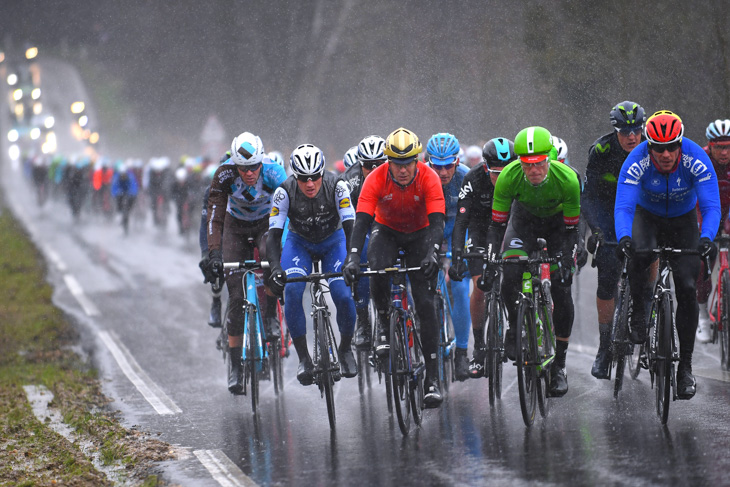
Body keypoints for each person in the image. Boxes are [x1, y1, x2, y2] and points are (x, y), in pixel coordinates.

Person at [615, 110, 720, 399]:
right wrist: (624, 236)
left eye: (672, 146)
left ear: (680, 143)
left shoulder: (696, 158)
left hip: (683, 221)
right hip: (646, 218)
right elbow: (624, 206)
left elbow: (711, 207)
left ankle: (684, 368)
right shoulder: (636, 160)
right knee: (637, 254)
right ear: (648, 146)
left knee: (687, 286)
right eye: (658, 148)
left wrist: (707, 238)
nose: (665, 154)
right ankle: (638, 313)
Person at [342, 127, 446, 407]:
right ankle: (386, 326)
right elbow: (362, 221)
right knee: (376, 269)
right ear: (388, 162)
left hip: (421, 233)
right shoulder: (375, 179)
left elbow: (437, 223)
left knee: (425, 303)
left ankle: (433, 379)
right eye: (397, 164)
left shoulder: (430, 177)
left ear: (417, 160)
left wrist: (433, 253)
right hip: (386, 231)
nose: (402, 170)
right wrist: (352, 256)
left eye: (408, 163)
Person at [484, 126, 580, 397]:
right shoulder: (508, 177)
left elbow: (573, 231)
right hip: (524, 222)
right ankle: (515, 327)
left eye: (539, 163)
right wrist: (492, 259)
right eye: (527, 165)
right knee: (510, 273)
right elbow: (496, 226)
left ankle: (559, 365)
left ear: (548, 159)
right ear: (519, 163)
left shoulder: (568, 180)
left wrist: (569, 258)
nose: (534, 170)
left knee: (562, 288)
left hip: (558, 225)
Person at [266, 144, 358, 385]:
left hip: (333, 241)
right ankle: (304, 359)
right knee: (293, 290)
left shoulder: (338, 186)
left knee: (343, 294)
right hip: (300, 244)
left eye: (315, 177)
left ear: (322, 173)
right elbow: (273, 236)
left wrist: (352, 258)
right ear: (294, 176)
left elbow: (351, 228)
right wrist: (275, 269)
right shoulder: (283, 192)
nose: (310, 184)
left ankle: (346, 348)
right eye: (303, 178)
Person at [204, 132, 287, 394]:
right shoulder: (224, 175)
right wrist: (214, 253)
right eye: (243, 168)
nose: (249, 173)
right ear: (234, 165)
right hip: (234, 229)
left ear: (262, 162)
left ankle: (271, 314)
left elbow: (288, 212)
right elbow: (215, 216)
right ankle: (236, 366)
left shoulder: (275, 174)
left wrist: (279, 253)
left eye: (253, 168)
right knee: (237, 298)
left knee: (271, 262)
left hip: (267, 225)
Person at [583, 101, 647, 379]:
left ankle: (642, 316)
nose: (631, 136)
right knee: (607, 278)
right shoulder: (602, 151)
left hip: (643, 213)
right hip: (609, 215)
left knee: (648, 257)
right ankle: (604, 347)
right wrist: (595, 230)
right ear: (615, 130)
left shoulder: (653, 149)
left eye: (636, 130)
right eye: (625, 130)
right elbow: (589, 197)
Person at [450, 137, 514, 379]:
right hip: (479, 229)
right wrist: (457, 254)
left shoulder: (521, 176)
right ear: (486, 167)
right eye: (496, 172)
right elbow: (461, 221)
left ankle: (514, 330)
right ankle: (479, 346)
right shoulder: (473, 179)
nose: (501, 178)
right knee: (480, 286)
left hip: (508, 227)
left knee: (513, 279)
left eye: (507, 171)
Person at [425, 132, 471, 381]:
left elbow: (473, 219)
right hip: (431, 229)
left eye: (448, 166)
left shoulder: (465, 177)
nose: (443, 173)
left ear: (457, 161)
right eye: (437, 166)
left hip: (458, 230)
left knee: (460, 287)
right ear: (428, 163)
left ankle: (462, 351)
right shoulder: (419, 177)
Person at [339, 135, 388, 349]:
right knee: (363, 256)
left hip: (387, 221)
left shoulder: (397, 173)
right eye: (368, 166)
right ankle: (364, 321)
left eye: (379, 164)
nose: (374, 169)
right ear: (360, 164)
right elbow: (346, 221)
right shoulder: (349, 181)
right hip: (363, 223)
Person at [695, 119, 730, 343]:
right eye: (719, 147)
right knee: (702, 264)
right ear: (710, 146)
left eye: (728, 146)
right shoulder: (701, 159)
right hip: (706, 211)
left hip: (728, 211)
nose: (724, 152)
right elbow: (696, 198)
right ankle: (702, 318)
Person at [110, 161, 139, 235]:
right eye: (121, 174)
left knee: (130, 205)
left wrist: (133, 193)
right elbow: (114, 187)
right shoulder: (116, 177)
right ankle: (119, 212)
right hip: (120, 192)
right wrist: (116, 193)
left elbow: (134, 186)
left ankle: (128, 213)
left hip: (128, 192)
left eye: (124, 174)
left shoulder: (130, 176)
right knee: (118, 201)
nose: (123, 175)